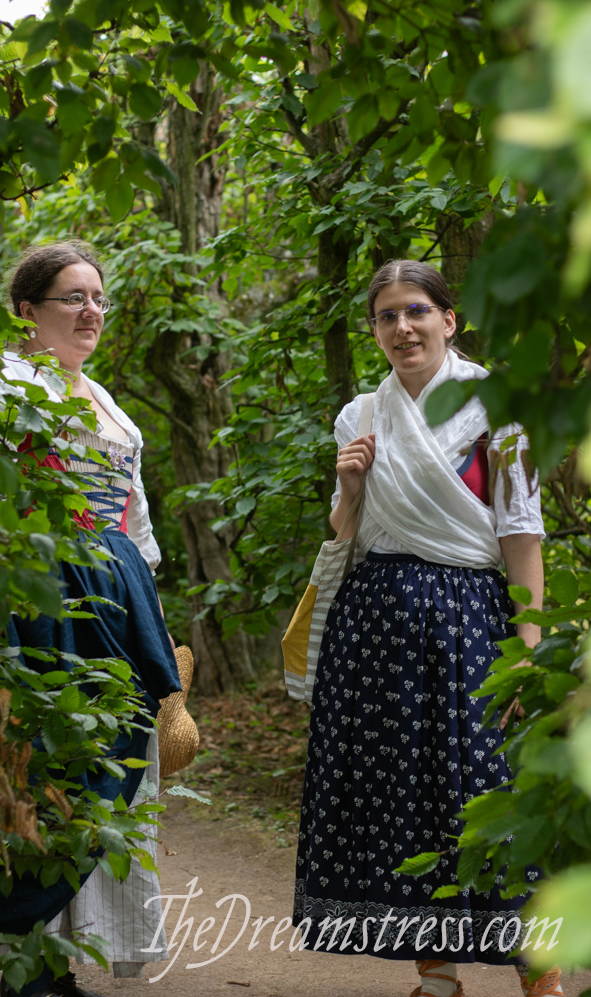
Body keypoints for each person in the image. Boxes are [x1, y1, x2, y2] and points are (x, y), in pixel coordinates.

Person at [292, 260, 560, 997]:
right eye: (385, 316)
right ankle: (434, 974)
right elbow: (348, 531)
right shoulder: (360, 414)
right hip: (375, 621)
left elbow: (520, 535)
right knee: (399, 793)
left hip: (472, 618)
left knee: (489, 788)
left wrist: (528, 651)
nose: (401, 327)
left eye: (415, 311)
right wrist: (346, 489)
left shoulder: (495, 407)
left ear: (448, 318)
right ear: (374, 330)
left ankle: (539, 973)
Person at [0, 241, 180, 997]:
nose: (91, 312)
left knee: (110, 769)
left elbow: (136, 528)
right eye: (73, 298)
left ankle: (53, 957)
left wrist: (157, 624)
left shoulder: (106, 402)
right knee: (46, 770)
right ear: (26, 312)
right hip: (39, 596)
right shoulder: (2, 387)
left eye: (98, 298)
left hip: (118, 594)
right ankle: (23, 957)